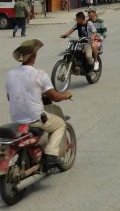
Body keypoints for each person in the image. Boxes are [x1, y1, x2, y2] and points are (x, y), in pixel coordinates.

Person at [5, 39, 72, 169]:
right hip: (34, 118)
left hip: (16, 120)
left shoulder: (10, 74)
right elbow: (55, 97)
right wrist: (66, 95)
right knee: (60, 124)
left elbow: (10, 97)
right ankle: (51, 155)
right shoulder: (39, 74)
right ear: (34, 56)